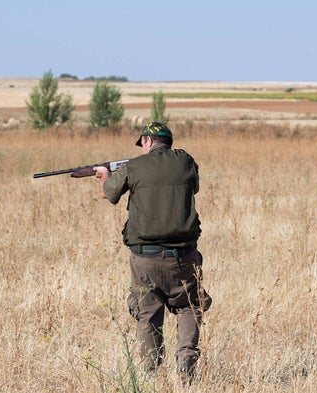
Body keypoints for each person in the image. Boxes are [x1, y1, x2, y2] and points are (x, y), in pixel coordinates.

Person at [94, 121, 210, 385]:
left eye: (142, 142)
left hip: (145, 258)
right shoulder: (185, 161)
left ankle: (150, 374)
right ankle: (186, 366)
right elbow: (195, 186)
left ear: (147, 141)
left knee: (148, 314)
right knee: (189, 307)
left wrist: (103, 174)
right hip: (185, 256)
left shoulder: (133, 166)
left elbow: (108, 194)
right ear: (168, 141)